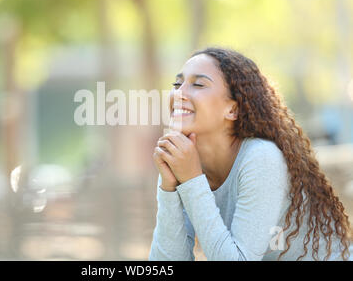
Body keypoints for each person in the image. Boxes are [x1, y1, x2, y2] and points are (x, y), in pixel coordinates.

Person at [149, 47, 352, 261]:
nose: (179, 93)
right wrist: (169, 189)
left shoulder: (261, 158)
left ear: (233, 110)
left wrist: (191, 180)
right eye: (177, 84)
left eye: (198, 84)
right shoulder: (182, 161)